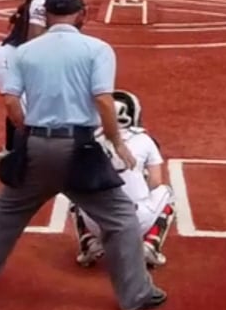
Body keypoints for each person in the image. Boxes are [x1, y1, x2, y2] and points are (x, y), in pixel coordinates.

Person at [0, 0, 165, 310]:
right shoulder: (97, 49)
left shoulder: (24, 52)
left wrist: (29, 133)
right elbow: (103, 100)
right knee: (121, 219)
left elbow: (11, 102)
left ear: (47, 15)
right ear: (81, 14)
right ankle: (135, 294)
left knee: (5, 212)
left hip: (37, 147)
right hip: (80, 150)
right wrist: (116, 141)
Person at [71, 89, 178, 269]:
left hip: (98, 220)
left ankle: (89, 243)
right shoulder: (145, 140)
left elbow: (81, 177)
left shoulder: (90, 140)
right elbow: (155, 182)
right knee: (166, 193)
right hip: (136, 220)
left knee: (76, 195)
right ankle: (150, 244)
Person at [0, 0, 72, 150]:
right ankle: (17, 154)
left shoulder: (46, 4)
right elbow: (35, 40)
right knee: (26, 110)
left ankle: (12, 150)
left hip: (18, 58)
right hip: (9, 60)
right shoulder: (40, 4)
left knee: (26, 106)